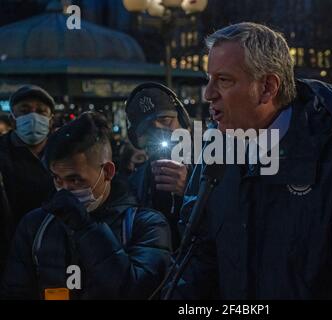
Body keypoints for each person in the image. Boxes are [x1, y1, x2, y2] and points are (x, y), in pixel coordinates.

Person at [173, 22, 332, 299]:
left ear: (267, 87)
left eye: (224, 80)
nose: (208, 94)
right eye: (208, 79)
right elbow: (198, 259)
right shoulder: (215, 148)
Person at [0, 112, 172, 300]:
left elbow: (140, 291)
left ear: (107, 171)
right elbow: (16, 292)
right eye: (57, 179)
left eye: (75, 179)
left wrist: (86, 229)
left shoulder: (145, 225)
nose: (65, 190)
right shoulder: (36, 225)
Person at [126, 82, 192, 250]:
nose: (160, 131)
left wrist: (191, 189)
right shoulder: (135, 182)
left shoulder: (212, 166)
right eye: (148, 129)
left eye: (166, 121)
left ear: (183, 121)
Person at [0, 85, 55, 275]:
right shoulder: (2, 151)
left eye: (40, 111)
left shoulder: (65, 152)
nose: (33, 117)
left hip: (56, 252)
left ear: (50, 120)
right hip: (9, 253)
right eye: (24, 110)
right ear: (13, 120)